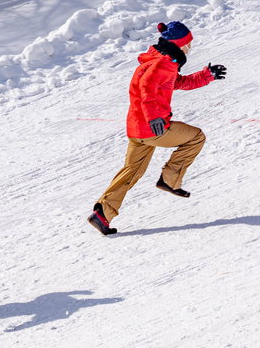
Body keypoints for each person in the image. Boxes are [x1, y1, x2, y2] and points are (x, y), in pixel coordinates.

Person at [87, 21, 226, 235]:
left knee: (132, 171)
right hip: (154, 128)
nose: (190, 48)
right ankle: (170, 180)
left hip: (136, 130)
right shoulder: (163, 63)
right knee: (196, 137)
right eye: (188, 44)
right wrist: (154, 118)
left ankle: (102, 213)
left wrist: (207, 75)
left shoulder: (156, 62)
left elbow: (178, 83)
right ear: (179, 44)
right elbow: (147, 88)